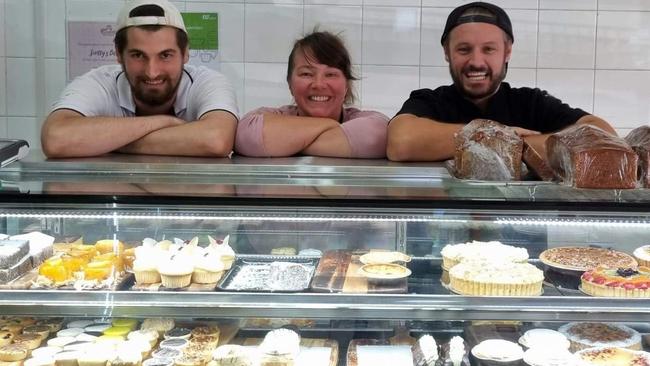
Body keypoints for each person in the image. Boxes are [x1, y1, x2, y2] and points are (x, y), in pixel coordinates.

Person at [387, 1, 616, 162]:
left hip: (520, 229)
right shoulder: (430, 101)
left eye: (489, 49)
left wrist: (499, 143)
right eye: (464, 49)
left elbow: (603, 137)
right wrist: (503, 136)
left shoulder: (531, 103)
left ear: (507, 52)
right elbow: (401, 142)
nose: (476, 61)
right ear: (447, 52)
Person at [41, 0, 238, 158]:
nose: (152, 72)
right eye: (137, 55)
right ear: (118, 54)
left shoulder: (207, 82)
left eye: (165, 55)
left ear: (185, 53)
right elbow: (55, 138)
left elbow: (216, 140)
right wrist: (164, 122)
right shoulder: (99, 82)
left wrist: (107, 141)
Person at [235, 31, 389, 158]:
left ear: (346, 86)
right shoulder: (268, 116)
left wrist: (283, 142)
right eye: (306, 74)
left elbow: (378, 135)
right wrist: (332, 127)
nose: (319, 84)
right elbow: (247, 134)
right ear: (290, 83)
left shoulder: (369, 121)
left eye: (330, 74)